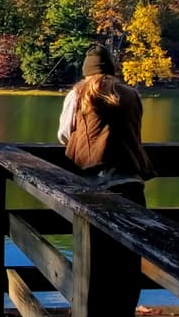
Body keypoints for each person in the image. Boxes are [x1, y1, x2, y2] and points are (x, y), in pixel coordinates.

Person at [58, 45, 155, 202]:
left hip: (94, 183)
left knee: (90, 226)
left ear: (86, 71)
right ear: (111, 69)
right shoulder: (132, 94)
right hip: (131, 182)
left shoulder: (78, 94)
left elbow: (64, 134)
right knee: (135, 226)